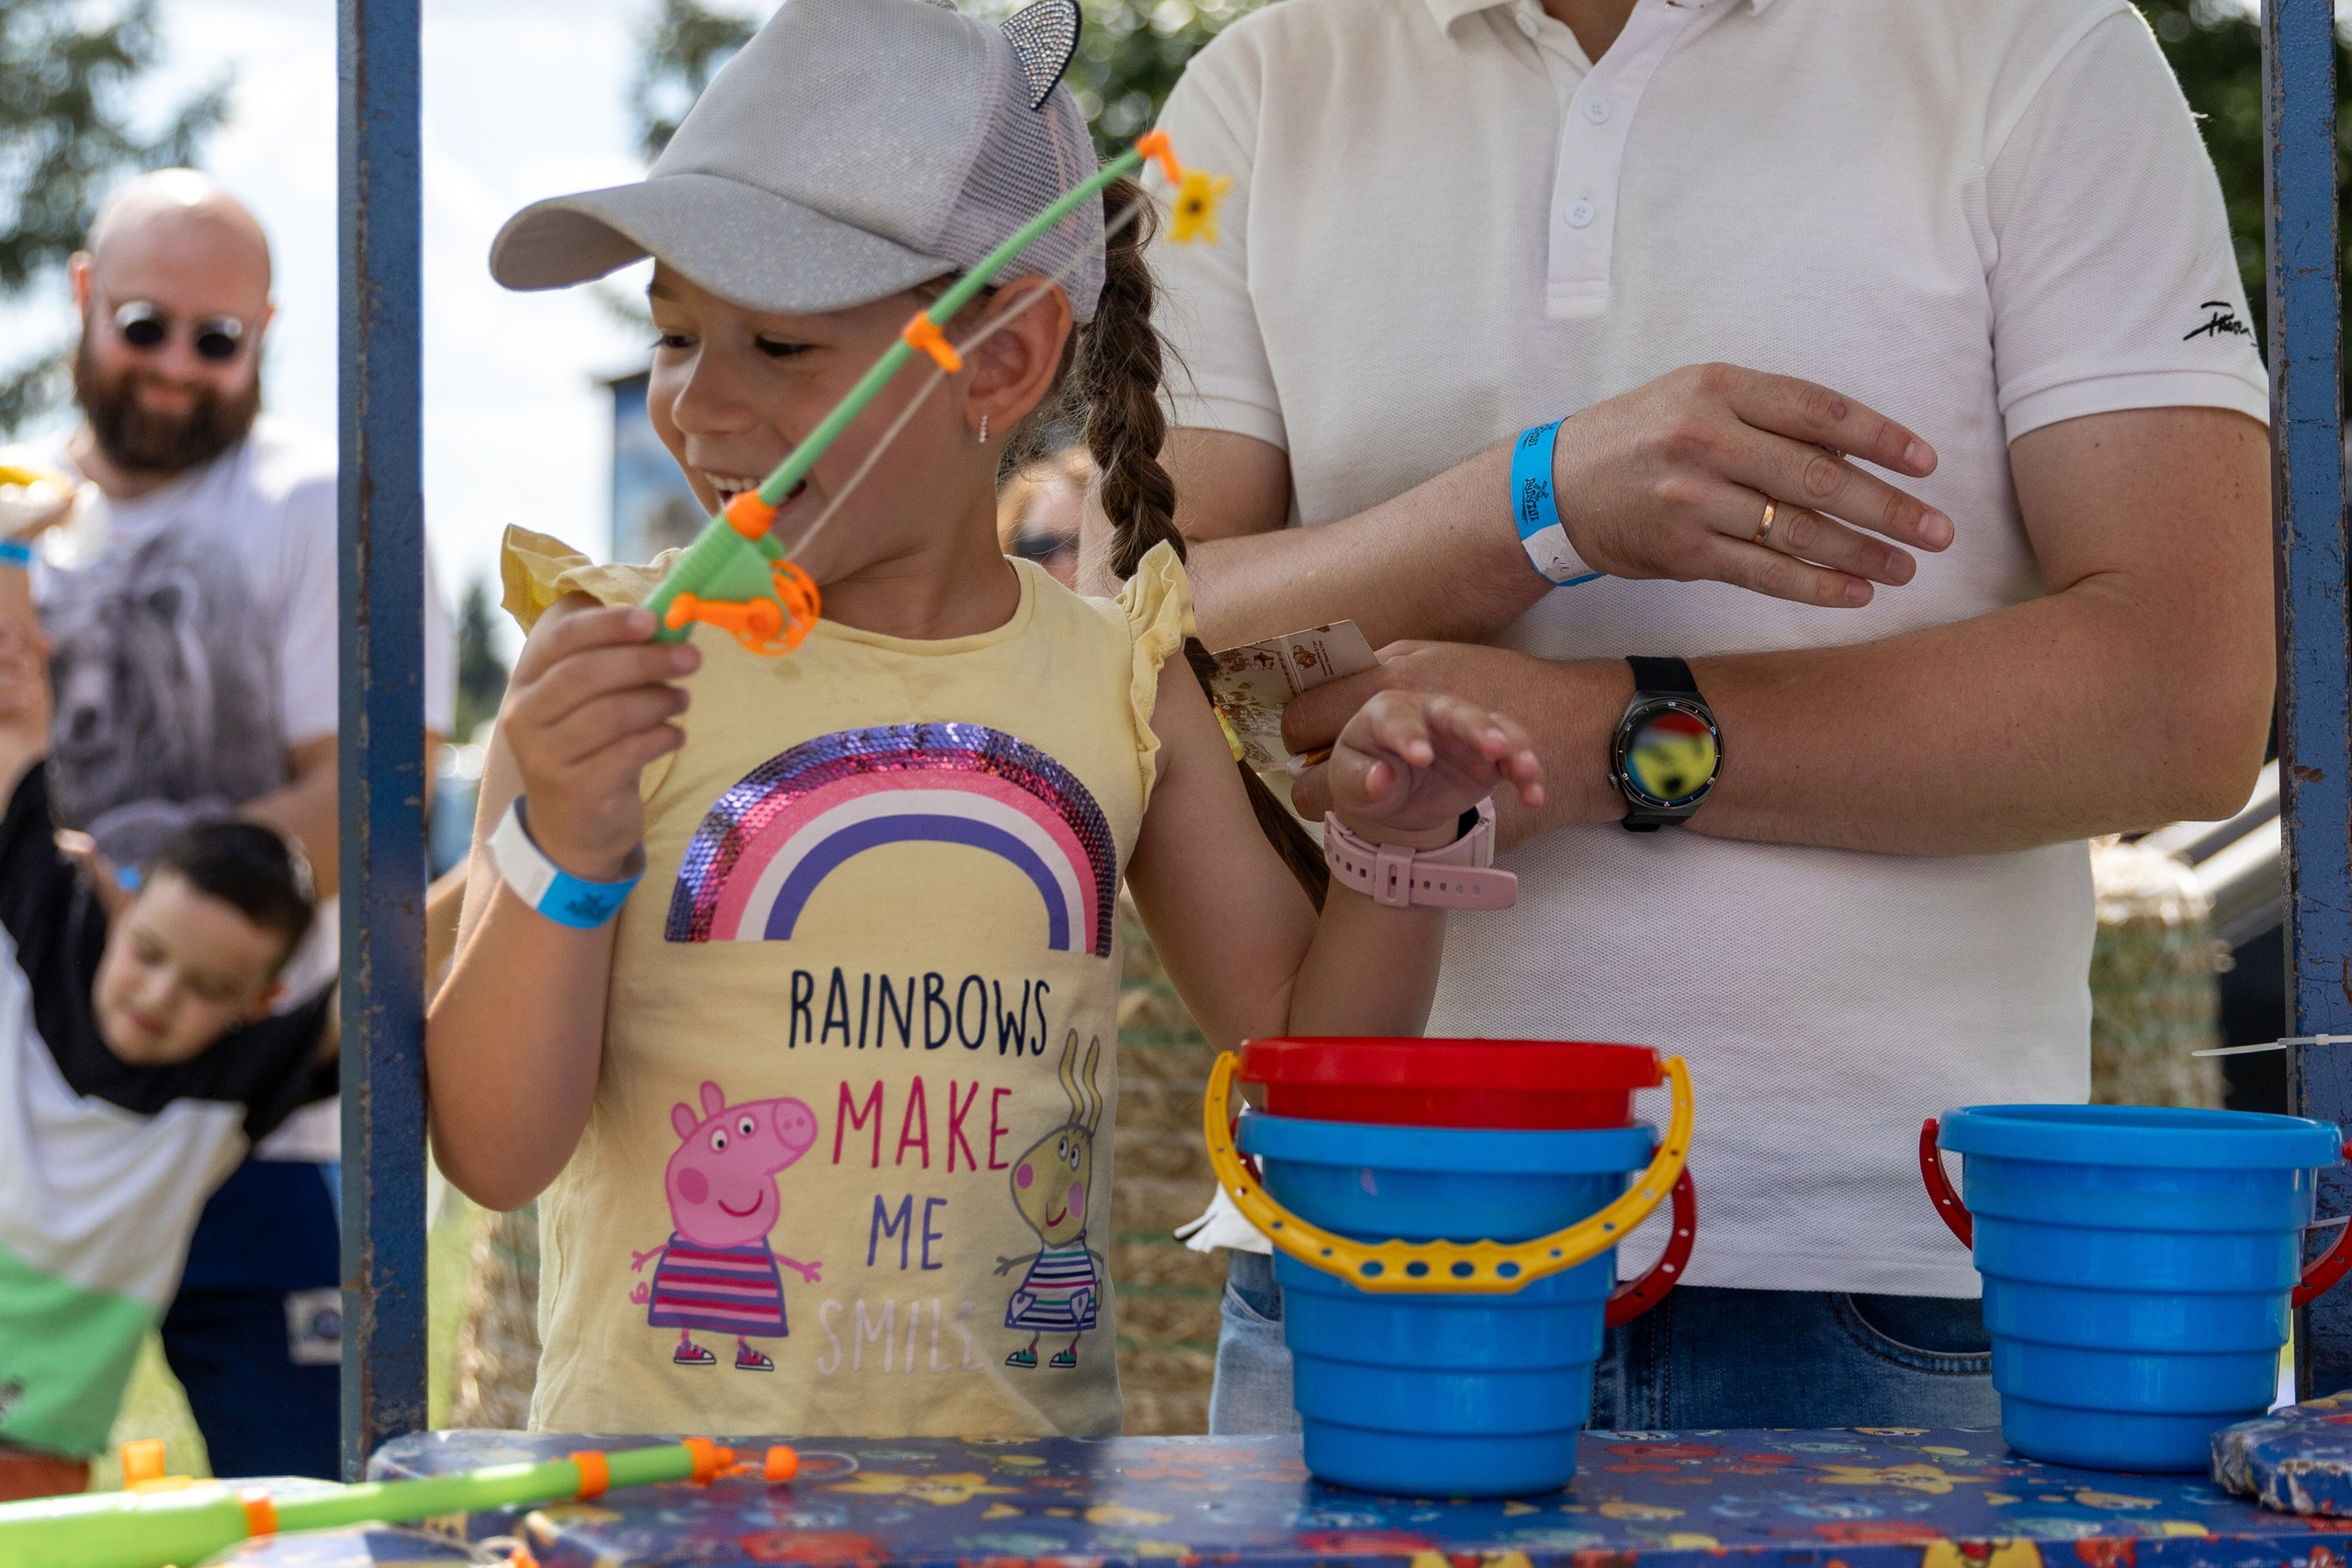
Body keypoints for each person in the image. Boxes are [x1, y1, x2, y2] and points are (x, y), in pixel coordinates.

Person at [1146, 0, 2275, 1430]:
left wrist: (1609, 731)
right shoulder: (1258, 78)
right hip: (1360, 1248)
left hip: (1876, 1272)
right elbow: (1142, 634)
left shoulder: (2037, 42)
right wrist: (1542, 502)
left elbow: (2183, 700)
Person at [428, 0, 1543, 1438]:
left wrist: (1403, 847)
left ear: (1003, 365)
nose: (700, 405)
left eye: (775, 344)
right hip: (667, 1510)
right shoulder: (604, 666)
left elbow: (1293, 1053)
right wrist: (555, 841)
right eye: (674, 335)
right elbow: (498, 1155)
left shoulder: (1116, 678)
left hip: (1024, 1508)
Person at [34, 169, 453, 1478]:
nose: (176, 367)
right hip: (32, 1128)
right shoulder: (15, 512)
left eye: (220, 341)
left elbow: (375, 799)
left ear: (266, 329)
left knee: (313, 1513)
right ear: (85, 299)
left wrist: (133, 903)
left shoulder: (326, 505)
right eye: (145, 323)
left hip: (266, 1116)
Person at [0, 522, 330, 1500]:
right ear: (121, 902)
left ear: (259, 1002)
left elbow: (392, 984)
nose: (156, 995)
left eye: (207, 988)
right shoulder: (39, 935)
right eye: (149, 952)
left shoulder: (239, 1080)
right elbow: (18, 716)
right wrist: (14, 557)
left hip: (36, 1442)